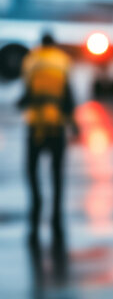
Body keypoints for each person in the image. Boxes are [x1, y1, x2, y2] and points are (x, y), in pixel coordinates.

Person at [18, 33, 77, 245]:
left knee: (32, 173)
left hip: (35, 126)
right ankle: (56, 220)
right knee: (57, 175)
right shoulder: (62, 60)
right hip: (56, 126)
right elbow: (68, 95)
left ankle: (35, 215)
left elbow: (25, 94)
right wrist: (73, 122)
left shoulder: (31, 60)